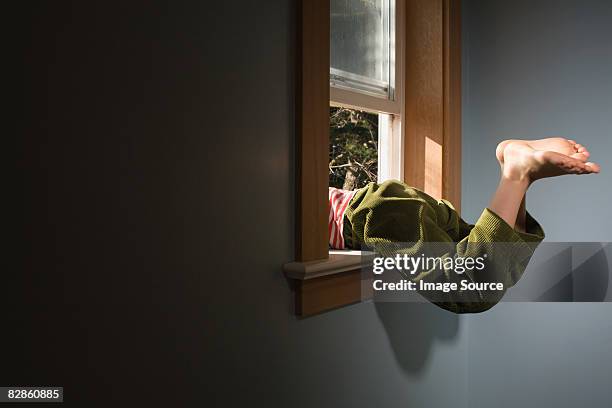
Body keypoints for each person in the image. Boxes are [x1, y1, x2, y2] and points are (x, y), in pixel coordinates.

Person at [328, 138, 600, 313]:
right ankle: (517, 168)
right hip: (392, 205)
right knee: (496, 267)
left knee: (469, 288)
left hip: (370, 212)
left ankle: (517, 173)